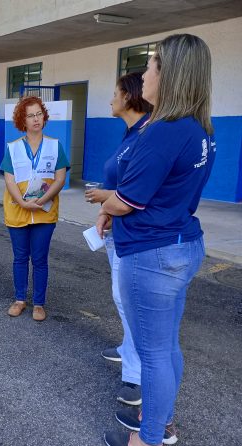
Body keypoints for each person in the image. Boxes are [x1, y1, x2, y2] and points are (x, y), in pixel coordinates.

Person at [100, 34, 216, 446]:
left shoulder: (163, 131)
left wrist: (106, 202)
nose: (144, 75)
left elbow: (127, 201)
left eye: (151, 66)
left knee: (153, 352)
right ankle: (158, 418)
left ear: (170, 75)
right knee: (165, 345)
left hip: (152, 252)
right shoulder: (199, 126)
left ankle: (148, 440)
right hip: (181, 242)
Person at [85, 72, 151, 406]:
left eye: (114, 93)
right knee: (121, 298)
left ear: (128, 96)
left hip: (136, 236)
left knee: (130, 304)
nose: (110, 99)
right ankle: (127, 350)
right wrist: (106, 210)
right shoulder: (130, 134)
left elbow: (138, 193)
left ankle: (138, 379)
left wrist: (103, 198)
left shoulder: (148, 135)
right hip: (118, 229)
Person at [0, 96, 69, 321]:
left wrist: (42, 200)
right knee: (20, 257)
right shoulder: (13, 148)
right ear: (23, 120)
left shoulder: (54, 145)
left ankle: (39, 303)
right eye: (30, 115)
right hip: (17, 210)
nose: (36, 119)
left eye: (39, 114)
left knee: (40, 259)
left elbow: (59, 179)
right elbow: (9, 180)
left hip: (44, 211)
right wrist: (22, 202)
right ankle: (20, 299)